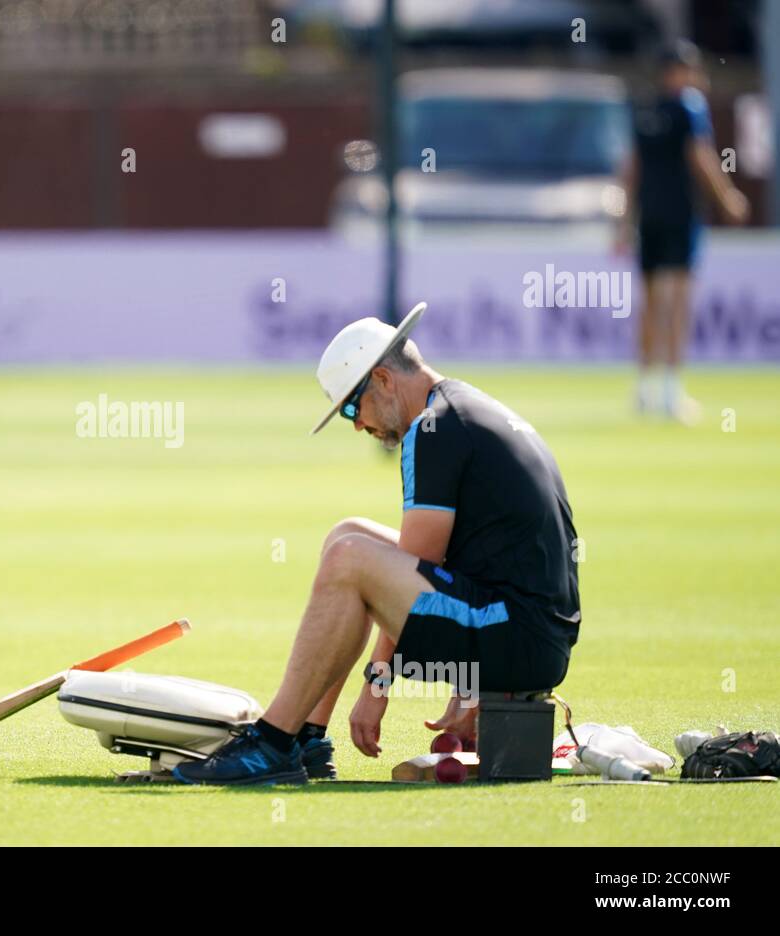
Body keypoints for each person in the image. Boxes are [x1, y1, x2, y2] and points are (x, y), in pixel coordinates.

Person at [174, 303, 581, 785]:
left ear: (384, 380)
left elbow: (417, 564)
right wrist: (471, 685)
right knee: (349, 535)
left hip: (518, 637)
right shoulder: (459, 408)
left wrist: (378, 684)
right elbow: (443, 566)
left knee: (352, 560)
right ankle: (308, 736)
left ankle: (272, 742)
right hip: (525, 633)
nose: (356, 425)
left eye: (351, 405)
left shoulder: (431, 428)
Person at [623, 39, 749, 423]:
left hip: (649, 217)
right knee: (675, 302)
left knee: (650, 302)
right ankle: (670, 392)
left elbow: (630, 168)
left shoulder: (644, 107)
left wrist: (622, 218)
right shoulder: (689, 106)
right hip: (678, 216)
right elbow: (701, 157)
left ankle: (645, 389)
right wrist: (727, 197)